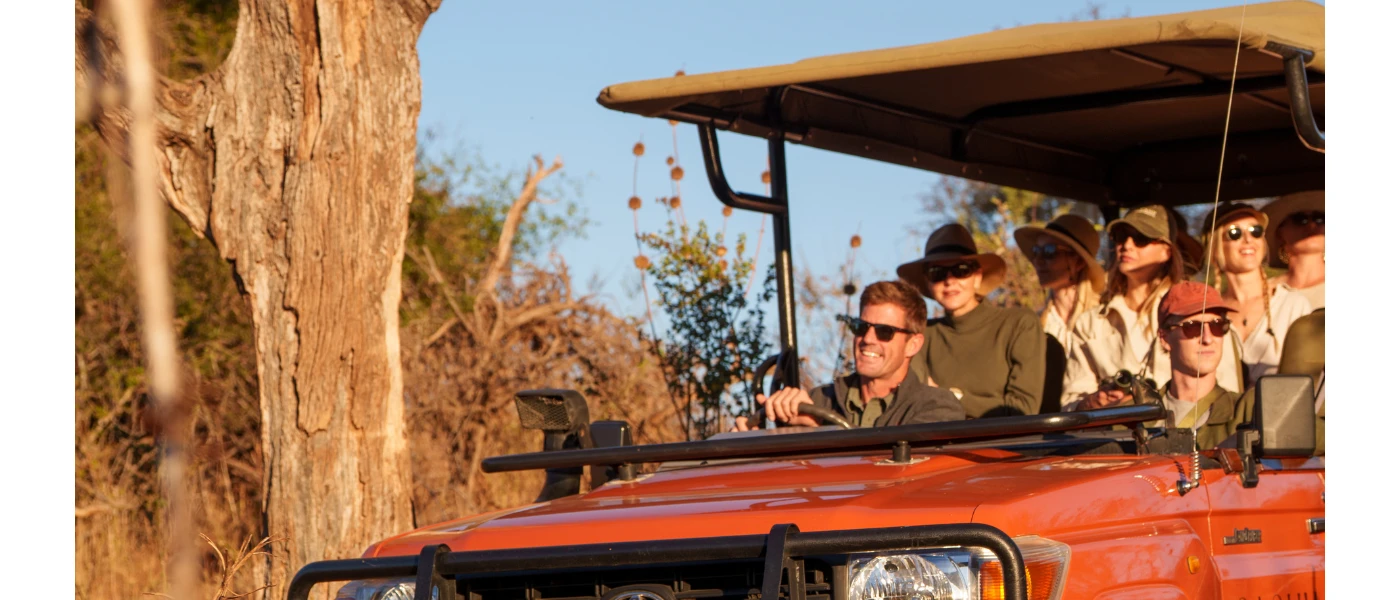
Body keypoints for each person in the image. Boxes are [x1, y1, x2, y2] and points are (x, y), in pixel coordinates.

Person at [1062, 205, 1243, 411]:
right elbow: (1069, 405)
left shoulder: (1201, 315)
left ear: (1166, 251)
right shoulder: (1091, 323)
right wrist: (1092, 403)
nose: (1127, 245)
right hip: (1113, 437)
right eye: (1121, 237)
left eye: (1140, 238)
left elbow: (1229, 398)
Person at [734, 281, 964, 430]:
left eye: (885, 331)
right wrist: (757, 435)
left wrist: (820, 429)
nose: (868, 338)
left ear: (913, 345)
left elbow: (898, 472)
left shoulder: (937, 408)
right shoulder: (819, 399)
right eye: (861, 327)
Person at [897, 224, 1044, 418]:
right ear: (927, 282)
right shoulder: (921, 335)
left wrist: (946, 396)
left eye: (961, 270)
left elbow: (1023, 409)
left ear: (977, 276)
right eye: (937, 273)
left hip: (1002, 444)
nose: (949, 280)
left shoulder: (1018, 325)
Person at [1202, 202, 1312, 386]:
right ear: (1214, 247)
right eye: (1235, 233)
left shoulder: (1292, 304)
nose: (1248, 239)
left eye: (1256, 231)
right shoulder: (1207, 313)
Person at [1152, 281, 1251, 450]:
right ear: (1165, 338)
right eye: (1193, 327)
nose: (1208, 338)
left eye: (1217, 326)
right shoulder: (1133, 417)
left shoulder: (1247, 411)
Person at [1014, 214, 1105, 351]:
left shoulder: (1102, 319)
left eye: (1049, 251)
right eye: (1036, 251)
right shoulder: (1038, 323)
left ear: (1079, 262)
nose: (1037, 261)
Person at [1262, 191, 1325, 309]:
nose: (1312, 226)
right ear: (1280, 233)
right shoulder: (1264, 291)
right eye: (1300, 219)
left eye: (1320, 219)